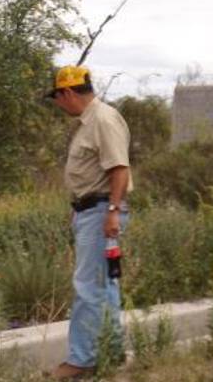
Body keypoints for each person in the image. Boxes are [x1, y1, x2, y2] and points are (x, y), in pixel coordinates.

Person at [45, 65, 133, 379]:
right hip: (92, 211)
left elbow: (119, 169)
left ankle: (81, 361)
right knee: (105, 287)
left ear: (67, 92)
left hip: (101, 213)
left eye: (57, 97)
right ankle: (111, 352)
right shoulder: (89, 121)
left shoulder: (102, 119)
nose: (58, 104)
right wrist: (80, 208)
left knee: (87, 289)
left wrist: (110, 211)